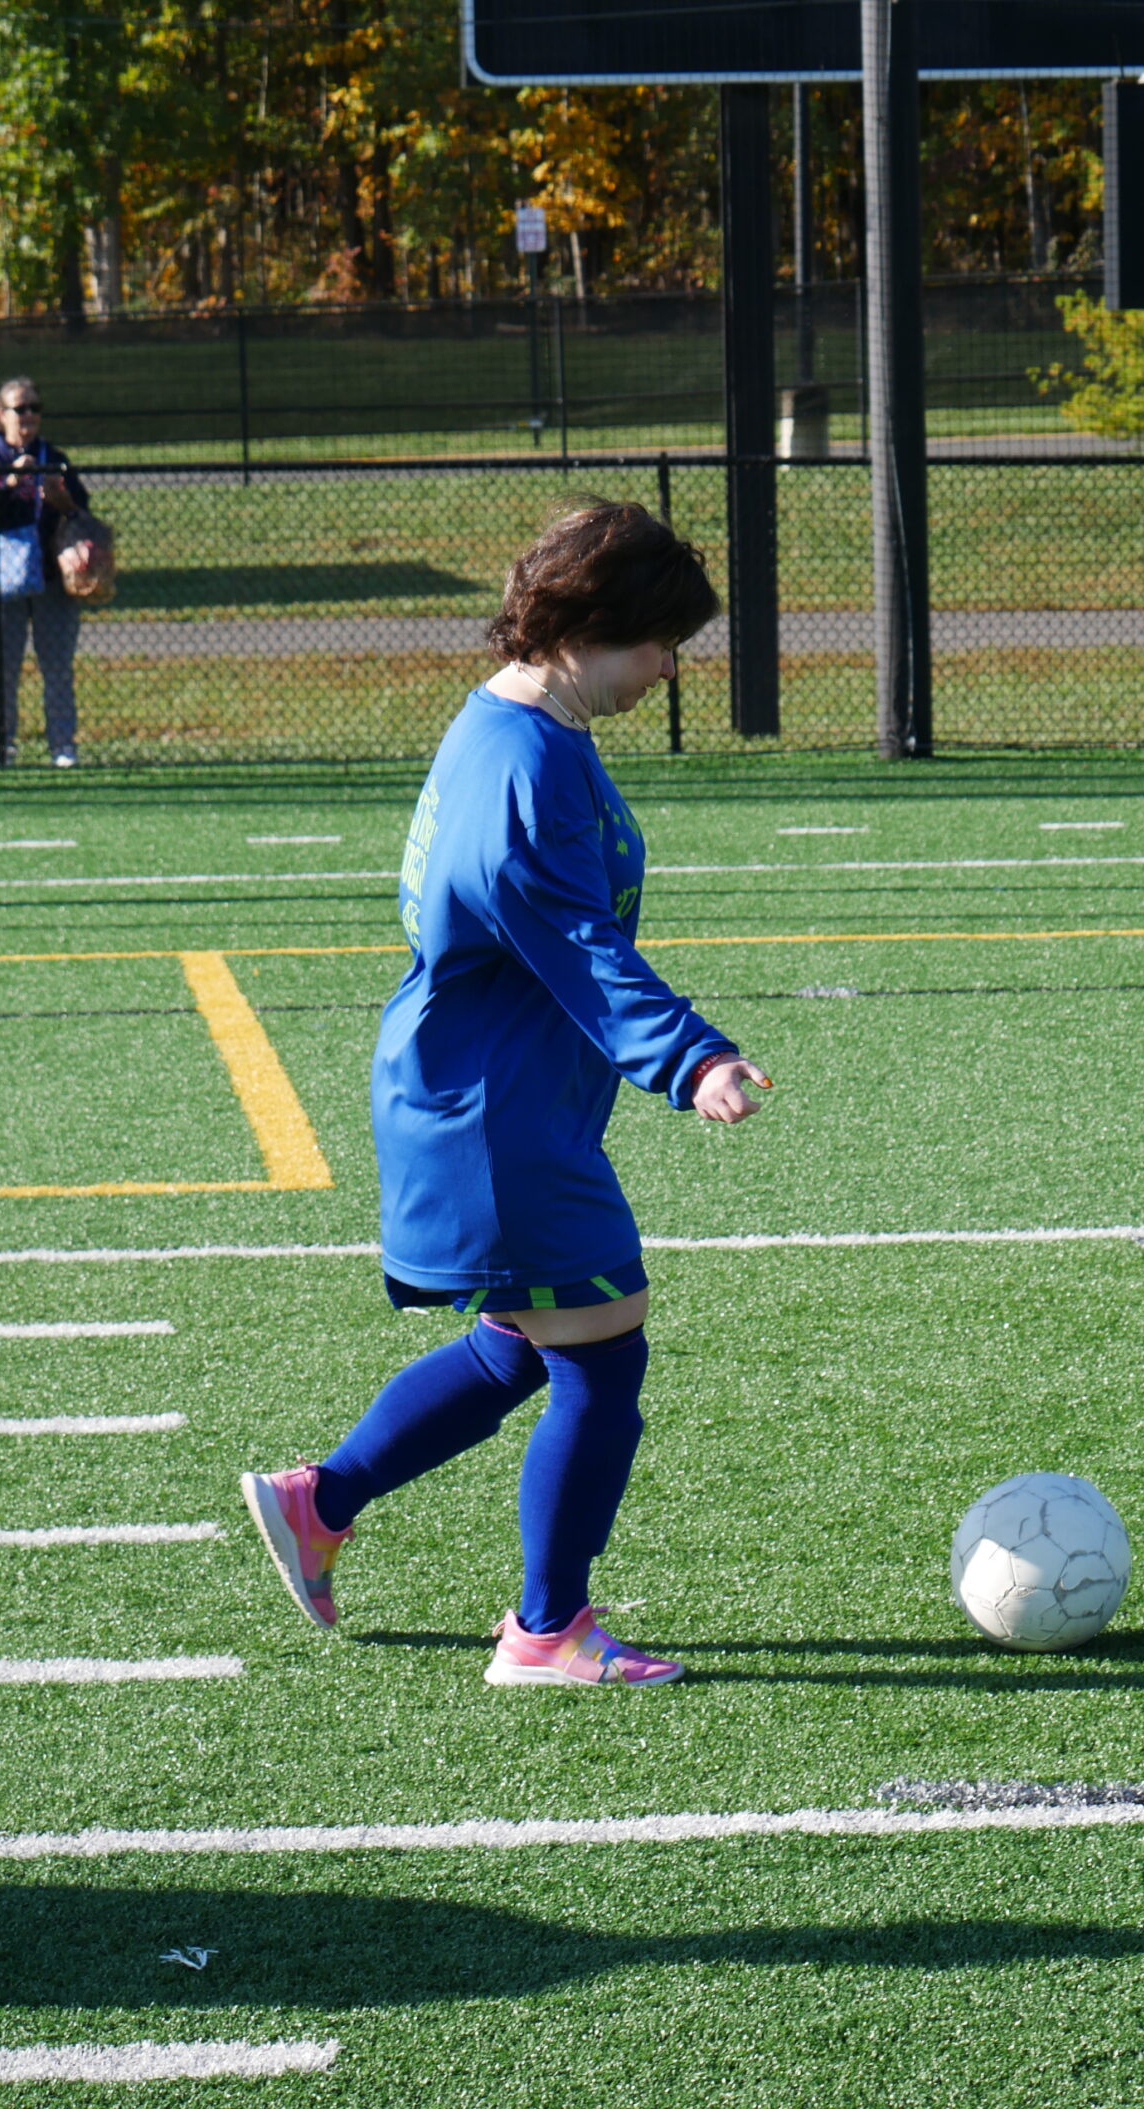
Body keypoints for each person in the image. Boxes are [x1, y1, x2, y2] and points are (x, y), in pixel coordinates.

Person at [241, 502, 768, 1689]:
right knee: (601, 1355)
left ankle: (320, 1500)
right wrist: (693, 1060)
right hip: (494, 1119)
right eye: (658, 644)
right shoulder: (527, 767)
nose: (669, 669)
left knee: (521, 1343)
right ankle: (547, 1632)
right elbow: (579, 947)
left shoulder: (508, 728)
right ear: (590, 628)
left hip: (489, 1096)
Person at [0, 378, 93, 767]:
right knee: (2, 670)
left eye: (36, 408)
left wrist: (62, 499)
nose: (30, 416)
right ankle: (2, 748)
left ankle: (63, 748)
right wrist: (9, 482)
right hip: (3, 580)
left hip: (52, 580)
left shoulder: (55, 457)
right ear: (1, 415)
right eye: (21, 409)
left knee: (56, 668)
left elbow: (81, 512)